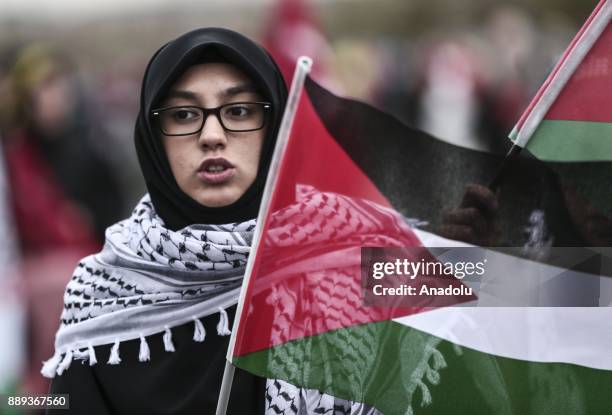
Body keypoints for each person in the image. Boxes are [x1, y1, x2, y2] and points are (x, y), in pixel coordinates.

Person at [43, 28, 287, 414]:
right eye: (183, 114)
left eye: (239, 110)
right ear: (153, 138)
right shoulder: (100, 290)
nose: (212, 136)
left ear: (275, 125)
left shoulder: (340, 259)